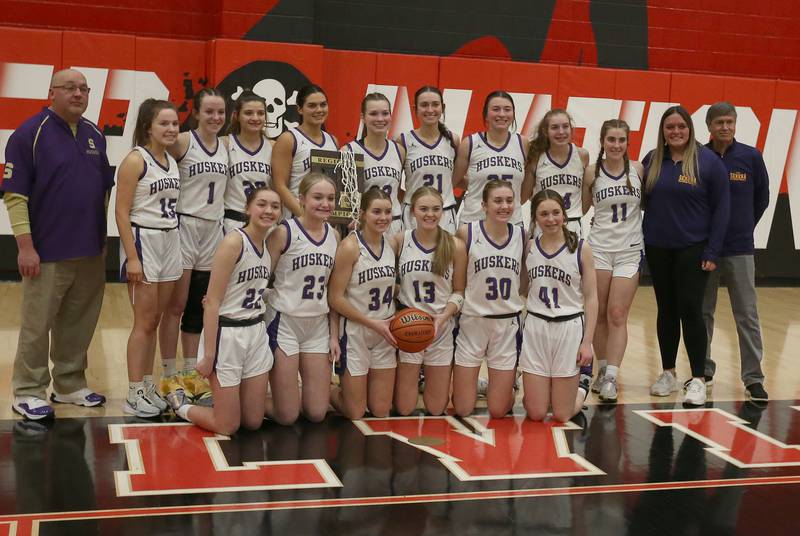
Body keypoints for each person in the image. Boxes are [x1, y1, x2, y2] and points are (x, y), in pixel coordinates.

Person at [3, 68, 113, 420]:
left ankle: (68, 383)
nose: (78, 94)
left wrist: (103, 239)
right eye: (70, 88)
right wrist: (25, 247)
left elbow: (104, 189)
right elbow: (15, 196)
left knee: (78, 323)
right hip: (46, 251)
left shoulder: (95, 133)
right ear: (52, 92)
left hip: (90, 251)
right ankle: (27, 390)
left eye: (84, 88)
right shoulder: (27, 135)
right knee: (38, 325)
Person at [168, 187, 281, 434]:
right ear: (247, 209)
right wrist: (208, 355)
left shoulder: (268, 245)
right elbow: (212, 302)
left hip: (256, 332)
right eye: (262, 204)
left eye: (275, 206)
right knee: (227, 426)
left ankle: (223, 401)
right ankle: (180, 404)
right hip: (228, 334)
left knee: (253, 421)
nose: (269, 210)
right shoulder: (233, 242)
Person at [643, 105, 730, 406]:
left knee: (691, 310)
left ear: (690, 129)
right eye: (670, 127)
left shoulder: (707, 162)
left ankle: (698, 378)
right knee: (666, 309)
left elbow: (722, 210)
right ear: (663, 132)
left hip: (694, 249)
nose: (676, 131)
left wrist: (713, 251)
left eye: (681, 126)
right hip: (658, 247)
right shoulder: (653, 160)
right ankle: (668, 373)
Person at [159, 88, 228, 403]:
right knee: (176, 304)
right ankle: (168, 372)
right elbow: (153, 163)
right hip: (185, 225)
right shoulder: (183, 141)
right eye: (209, 112)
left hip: (213, 230)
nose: (216, 117)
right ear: (197, 113)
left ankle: (191, 372)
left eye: (221, 112)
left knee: (200, 307)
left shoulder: (226, 146)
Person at [115, 99, 182, 417]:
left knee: (155, 320)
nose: (171, 129)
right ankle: (132, 391)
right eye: (164, 124)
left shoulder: (170, 160)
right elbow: (121, 212)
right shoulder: (135, 160)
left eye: (175, 124)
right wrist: (132, 257)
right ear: (148, 127)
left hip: (170, 239)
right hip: (144, 240)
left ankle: (147, 384)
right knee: (142, 322)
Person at [702, 102, 770, 402]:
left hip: (740, 248)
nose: (725, 127)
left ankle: (754, 378)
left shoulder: (751, 157)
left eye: (729, 122)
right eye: (719, 122)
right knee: (703, 313)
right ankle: (702, 371)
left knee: (747, 314)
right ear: (709, 126)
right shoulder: (700, 157)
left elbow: (762, 198)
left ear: (736, 124)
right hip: (706, 250)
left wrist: (743, 226)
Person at [265, 172, 340, 425]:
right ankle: (251, 399)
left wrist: (333, 335)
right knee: (287, 417)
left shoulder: (334, 236)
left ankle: (291, 393)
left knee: (317, 413)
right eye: (317, 197)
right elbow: (261, 277)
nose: (325, 203)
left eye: (330, 198)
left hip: (317, 325)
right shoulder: (283, 233)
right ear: (302, 199)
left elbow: (333, 293)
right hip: (284, 322)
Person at [519, 189, 597, 422]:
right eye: (544, 214)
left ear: (564, 215)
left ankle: (582, 386)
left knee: (562, 415)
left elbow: (592, 297)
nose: (550, 219)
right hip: (536, 327)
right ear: (535, 218)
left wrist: (587, 342)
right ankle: (546, 392)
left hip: (569, 328)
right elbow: (523, 287)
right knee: (536, 413)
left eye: (555, 213)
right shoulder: (530, 246)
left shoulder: (581, 248)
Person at [581, 119, 644, 403]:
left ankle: (611, 377)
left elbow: (646, 205)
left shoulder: (639, 170)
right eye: (611, 140)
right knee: (600, 311)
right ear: (603, 142)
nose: (616, 145)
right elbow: (581, 208)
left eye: (621, 140)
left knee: (617, 313)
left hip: (630, 250)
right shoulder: (592, 173)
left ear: (627, 143)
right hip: (600, 249)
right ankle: (602, 367)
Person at [452, 180, 524, 418]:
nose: (504, 206)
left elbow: (524, 279)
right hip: (473, 322)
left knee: (498, 410)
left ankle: (504, 385)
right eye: (497, 201)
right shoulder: (467, 233)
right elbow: (459, 283)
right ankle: (486, 384)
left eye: (509, 201)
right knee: (462, 408)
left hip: (506, 325)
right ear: (483, 205)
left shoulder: (521, 235)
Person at [393, 186, 467, 415]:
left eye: (436, 209)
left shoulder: (455, 245)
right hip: (408, 325)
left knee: (437, 409)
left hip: (441, 326)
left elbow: (459, 291)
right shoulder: (399, 241)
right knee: (404, 408)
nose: (430, 214)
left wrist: (444, 317)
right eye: (423, 209)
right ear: (412, 211)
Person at [328, 188, 398, 419]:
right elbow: (335, 298)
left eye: (388, 212)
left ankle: (357, 390)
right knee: (355, 412)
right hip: (356, 331)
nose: (383, 217)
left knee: (380, 411)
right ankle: (327, 391)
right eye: (376, 211)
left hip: (385, 332)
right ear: (363, 213)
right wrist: (371, 323)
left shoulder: (392, 245)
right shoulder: (350, 247)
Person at [453, 91, 529, 226]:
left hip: (512, 223)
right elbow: (454, 181)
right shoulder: (470, 143)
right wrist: (478, 185)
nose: (502, 114)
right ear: (486, 115)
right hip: (474, 222)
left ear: (513, 114)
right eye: (495, 109)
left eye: (507, 109)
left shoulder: (522, 143)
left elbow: (525, 187)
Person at [398, 86, 460, 234]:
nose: (430, 109)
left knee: (445, 257)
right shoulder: (403, 141)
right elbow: (394, 182)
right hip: (414, 214)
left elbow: (458, 178)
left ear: (442, 107)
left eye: (435, 104)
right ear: (415, 109)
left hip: (444, 213)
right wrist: (409, 201)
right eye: (424, 105)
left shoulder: (453, 140)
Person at [343, 93, 405, 236]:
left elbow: (397, 191)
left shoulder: (399, 150)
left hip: (393, 224)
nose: (380, 119)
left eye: (385, 113)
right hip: (364, 226)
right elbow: (344, 198)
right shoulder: (349, 151)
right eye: (373, 114)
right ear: (363, 117)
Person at [271, 84, 338, 219]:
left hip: (325, 220)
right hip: (296, 219)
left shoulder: (333, 141)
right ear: (300, 109)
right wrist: (305, 215)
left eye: (323, 105)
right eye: (312, 105)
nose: (319, 110)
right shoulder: (289, 139)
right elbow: (279, 186)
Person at [523, 109, 589, 235]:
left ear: (571, 129)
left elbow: (584, 201)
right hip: (543, 225)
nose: (561, 132)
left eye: (565, 126)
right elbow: (526, 196)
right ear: (545, 131)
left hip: (572, 224)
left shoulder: (582, 155)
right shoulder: (536, 157)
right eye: (554, 127)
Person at [222, 90, 272, 234]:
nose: (255, 118)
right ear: (237, 116)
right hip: (233, 222)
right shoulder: (225, 144)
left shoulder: (274, 147)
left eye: (261, 113)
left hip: (264, 223)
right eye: (248, 113)